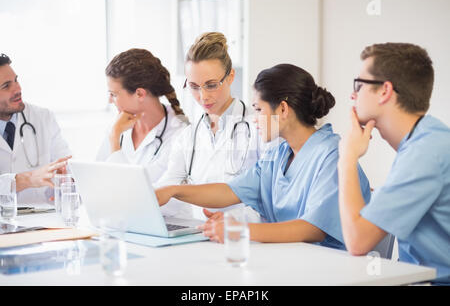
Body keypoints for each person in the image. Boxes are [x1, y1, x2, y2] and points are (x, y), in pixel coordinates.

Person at [156, 64, 371, 248]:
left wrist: (241, 230)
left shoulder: (331, 154)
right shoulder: (279, 155)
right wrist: (174, 190)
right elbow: (229, 191)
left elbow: (313, 229)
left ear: (283, 109)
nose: (255, 119)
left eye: (259, 109)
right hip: (289, 265)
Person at [338, 42, 450, 284]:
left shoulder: (426, 151)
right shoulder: (423, 141)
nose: (352, 95)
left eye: (359, 85)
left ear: (385, 91)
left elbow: (357, 241)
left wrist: (347, 157)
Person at [157, 32, 265, 221]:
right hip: (199, 238)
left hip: (244, 239)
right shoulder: (187, 136)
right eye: (194, 86)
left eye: (211, 85)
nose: (203, 96)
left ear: (230, 76)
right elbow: (166, 188)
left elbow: (269, 200)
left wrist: (234, 219)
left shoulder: (260, 127)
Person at [96, 48, 190, 217]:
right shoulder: (118, 127)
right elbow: (98, 182)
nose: (110, 100)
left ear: (139, 93)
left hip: (168, 228)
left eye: (114, 94)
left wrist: (114, 140)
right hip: (125, 223)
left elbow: (137, 196)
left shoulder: (180, 135)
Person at [0, 53, 72, 206]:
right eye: (6, 86)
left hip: (43, 218)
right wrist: (28, 179)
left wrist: (66, 179)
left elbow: (66, 165)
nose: (18, 89)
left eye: (16, 80)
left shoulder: (43, 117)